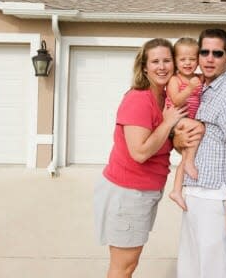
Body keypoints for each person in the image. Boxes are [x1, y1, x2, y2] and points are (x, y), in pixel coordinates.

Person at [93, 38, 192, 278]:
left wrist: (176, 140)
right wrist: (169, 123)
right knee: (123, 267)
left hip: (142, 193)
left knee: (129, 265)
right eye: (155, 61)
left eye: (167, 60)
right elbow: (139, 152)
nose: (162, 66)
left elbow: (159, 143)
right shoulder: (139, 99)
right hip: (127, 193)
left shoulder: (164, 100)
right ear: (144, 67)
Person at [174, 28, 226, 278]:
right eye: (204, 52)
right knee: (191, 268)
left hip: (217, 197)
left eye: (217, 53)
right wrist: (178, 140)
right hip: (196, 192)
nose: (209, 58)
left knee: (216, 271)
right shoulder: (202, 91)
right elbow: (193, 141)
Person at [167, 37, 204, 211]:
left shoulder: (200, 78)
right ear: (175, 61)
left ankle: (176, 190)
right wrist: (189, 88)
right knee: (199, 128)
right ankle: (189, 163)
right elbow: (175, 100)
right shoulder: (175, 80)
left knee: (186, 156)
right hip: (177, 119)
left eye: (192, 59)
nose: (187, 63)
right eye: (183, 59)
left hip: (189, 121)